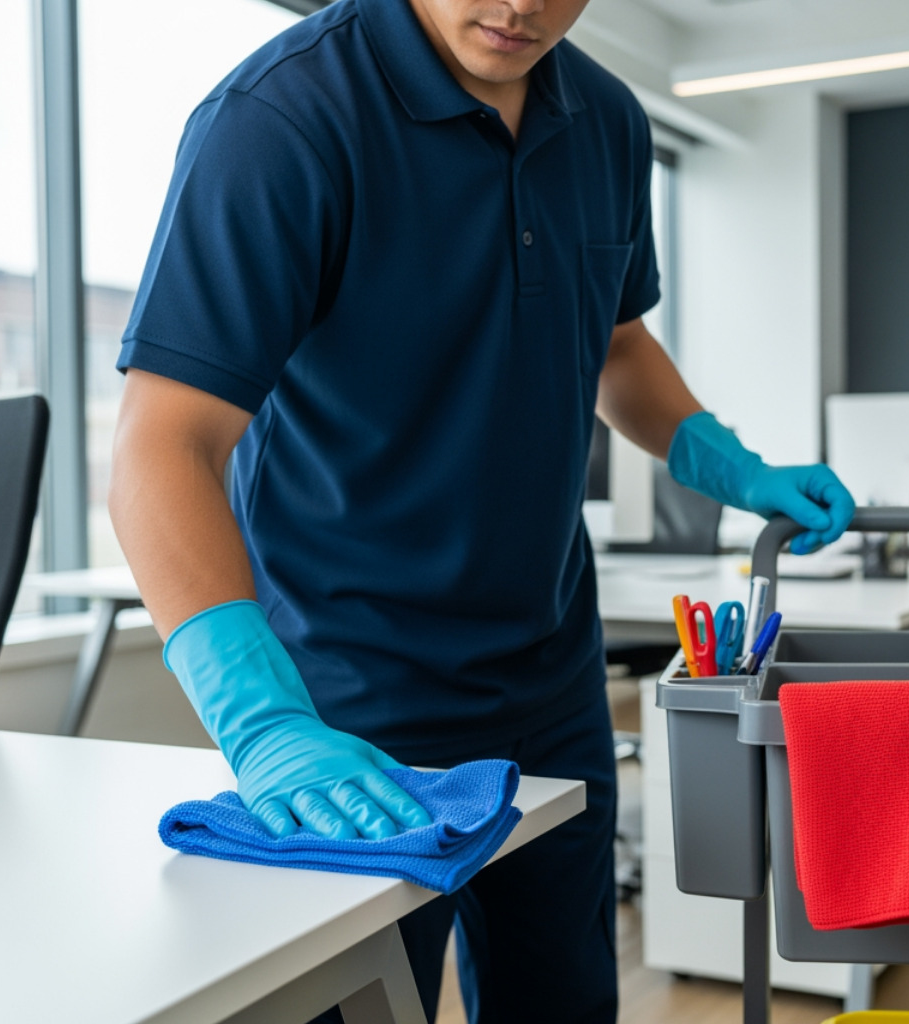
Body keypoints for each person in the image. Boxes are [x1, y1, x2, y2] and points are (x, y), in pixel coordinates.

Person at [106, 0, 856, 1021]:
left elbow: (615, 341)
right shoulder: (280, 120)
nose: (520, 6)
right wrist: (266, 724)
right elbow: (163, 446)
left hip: (550, 673)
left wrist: (731, 465)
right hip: (348, 688)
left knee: (563, 1002)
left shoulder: (606, 120)